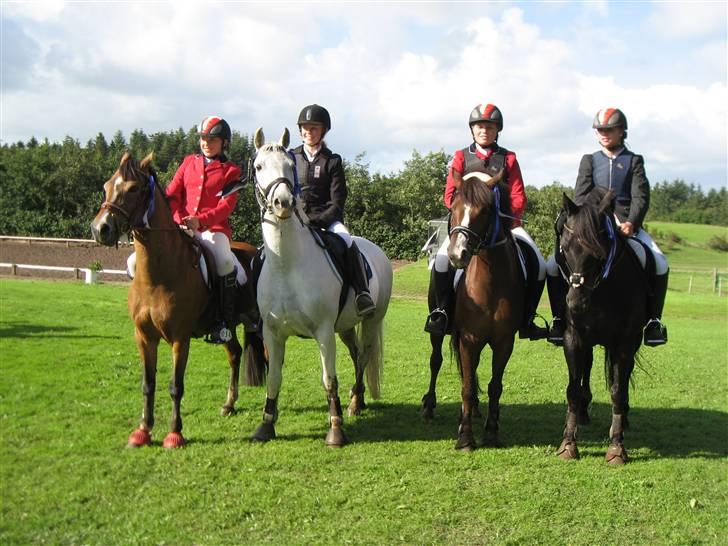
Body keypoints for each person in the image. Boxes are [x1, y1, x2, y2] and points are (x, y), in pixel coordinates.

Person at [424, 103, 548, 340]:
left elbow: (518, 194)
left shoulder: (508, 158)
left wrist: (507, 217)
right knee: (441, 260)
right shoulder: (461, 156)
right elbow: (450, 195)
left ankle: (528, 318)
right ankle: (441, 312)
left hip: (503, 224)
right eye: (480, 126)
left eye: (490, 127)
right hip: (467, 225)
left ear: (497, 130)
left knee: (540, 264)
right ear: (472, 130)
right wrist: (464, 210)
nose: (484, 131)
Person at [545, 107, 669, 346]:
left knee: (660, 262)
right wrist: (587, 222)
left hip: (626, 224)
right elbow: (580, 196)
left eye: (608, 130)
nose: (603, 134)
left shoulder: (633, 161)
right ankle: (559, 318)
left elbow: (640, 196)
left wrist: (632, 222)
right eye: (600, 130)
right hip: (594, 226)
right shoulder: (590, 160)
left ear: (621, 131)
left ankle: (654, 321)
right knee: (552, 264)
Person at [290, 104, 375, 317]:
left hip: (326, 220)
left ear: (323, 131)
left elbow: (338, 201)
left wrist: (317, 220)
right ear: (300, 130)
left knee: (346, 240)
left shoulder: (332, 160)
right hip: (295, 220)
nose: (309, 132)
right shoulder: (291, 158)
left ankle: (362, 293)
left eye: (314, 128)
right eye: (306, 128)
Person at [166, 115, 244, 343]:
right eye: (203, 138)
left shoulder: (231, 171)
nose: (206, 143)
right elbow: (172, 195)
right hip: (181, 226)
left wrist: (200, 220)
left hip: (213, 230)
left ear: (224, 143)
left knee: (225, 261)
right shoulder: (188, 162)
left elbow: (226, 206)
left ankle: (224, 322)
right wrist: (180, 218)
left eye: (212, 139)